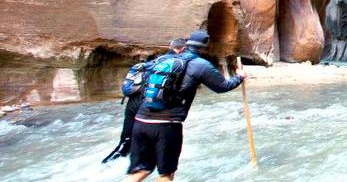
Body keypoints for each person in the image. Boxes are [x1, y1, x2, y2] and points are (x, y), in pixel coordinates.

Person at [125, 30, 245, 181]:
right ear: (204, 47)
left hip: (140, 121)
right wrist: (240, 77)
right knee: (166, 175)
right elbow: (222, 86)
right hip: (166, 126)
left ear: (186, 43)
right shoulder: (201, 65)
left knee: (140, 171)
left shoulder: (163, 59)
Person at [103, 38, 187, 164]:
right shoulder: (176, 63)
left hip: (132, 101)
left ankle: (108, 164)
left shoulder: (156, 60)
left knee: (126, 138)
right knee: (142, 143)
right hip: (145, 103)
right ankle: (137, 166)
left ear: (170, 46)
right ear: (183, 49)